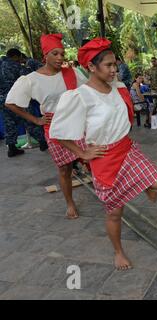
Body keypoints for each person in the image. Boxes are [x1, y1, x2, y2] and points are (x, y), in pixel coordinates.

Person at [49, 37, 157, 270]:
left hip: (126, 148)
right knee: (115, 213)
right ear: (91, 67)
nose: (115, 70)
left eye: (115, 64)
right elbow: (58, 132)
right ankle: (118, 252)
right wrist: (82, 152)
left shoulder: (118, 87)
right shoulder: (80, 96)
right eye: (109, 65)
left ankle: (144, 186)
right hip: (104, 159)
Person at [5, 34, 87, 220]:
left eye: (62, 53)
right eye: (55, 53)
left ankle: (106, 193)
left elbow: (90, 89)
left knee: (92, 159)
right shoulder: (32, 79)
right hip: (55, 126)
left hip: (76, 121)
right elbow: (11, 103)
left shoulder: (71, 73)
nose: (60, 57)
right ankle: (69, 203)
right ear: (45, 56)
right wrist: (35, 120)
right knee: (65, 168)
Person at [0, 48, 47, 157]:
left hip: (3, 100)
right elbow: (33, 75)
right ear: (16, 56)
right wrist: (29, 62)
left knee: (9, 123)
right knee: (29, 120)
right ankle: (43, 142)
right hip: (18, 99)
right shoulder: (16, 66)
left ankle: (11, 148)